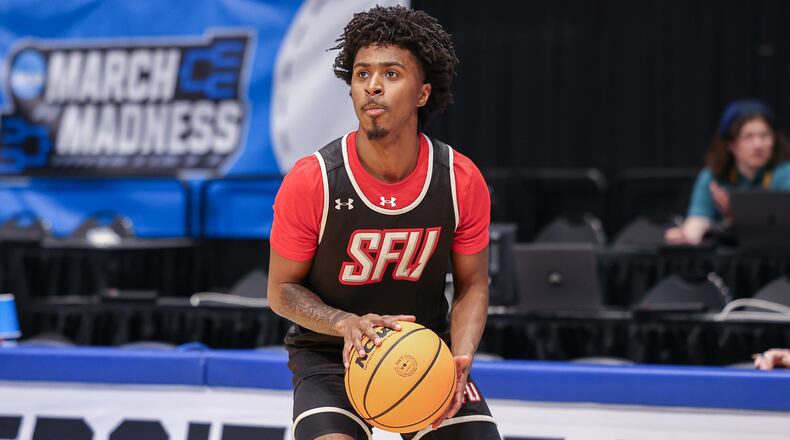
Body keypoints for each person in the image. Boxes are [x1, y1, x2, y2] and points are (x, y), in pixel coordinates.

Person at [267, 6, 500, 440]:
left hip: (423, 349)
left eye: (391, 74)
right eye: (362, 74)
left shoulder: (459, 179)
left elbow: (474, 284)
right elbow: (281, 291)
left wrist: (461, 355)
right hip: (330, 355)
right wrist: (343, 322)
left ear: (423, 93)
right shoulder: (312, 180)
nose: (373, 86)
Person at [665, 99, 790, 245]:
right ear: (731, 144)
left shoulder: (784, 173)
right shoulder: (712, 176)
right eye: (748, 137)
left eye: (765, 135)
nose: (758, 145)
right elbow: (698, 218)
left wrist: (735, 215)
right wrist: (688, 234)